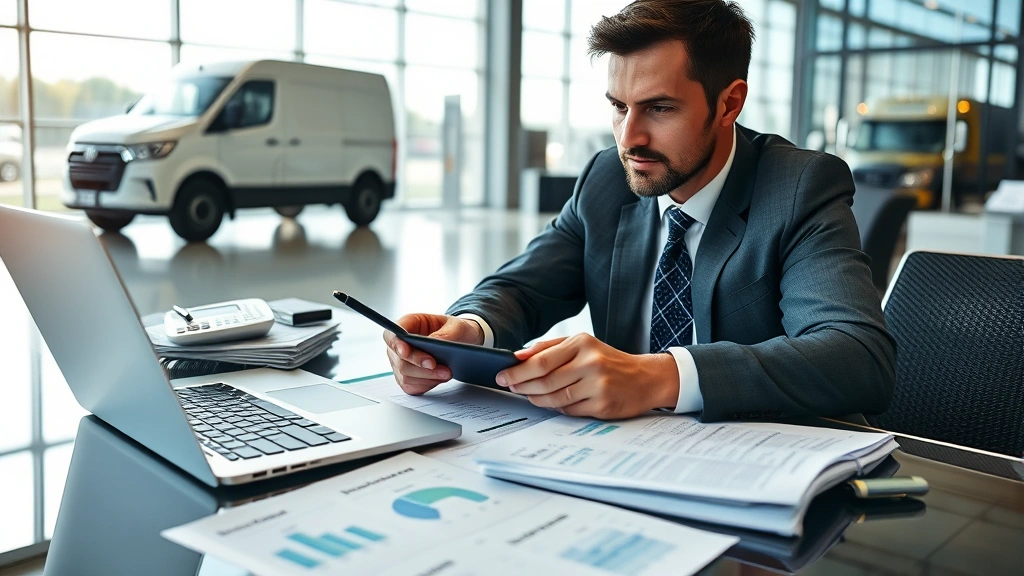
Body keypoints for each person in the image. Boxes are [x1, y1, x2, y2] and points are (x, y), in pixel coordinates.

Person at [384, 0, 895, 422]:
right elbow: (521, 288)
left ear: (728, 104)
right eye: (618, 106)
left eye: (660, 108)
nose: (630, 139)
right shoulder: (608, 179)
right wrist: (465, 334)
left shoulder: (798, 186)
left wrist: (658, 376)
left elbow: (856, 357)